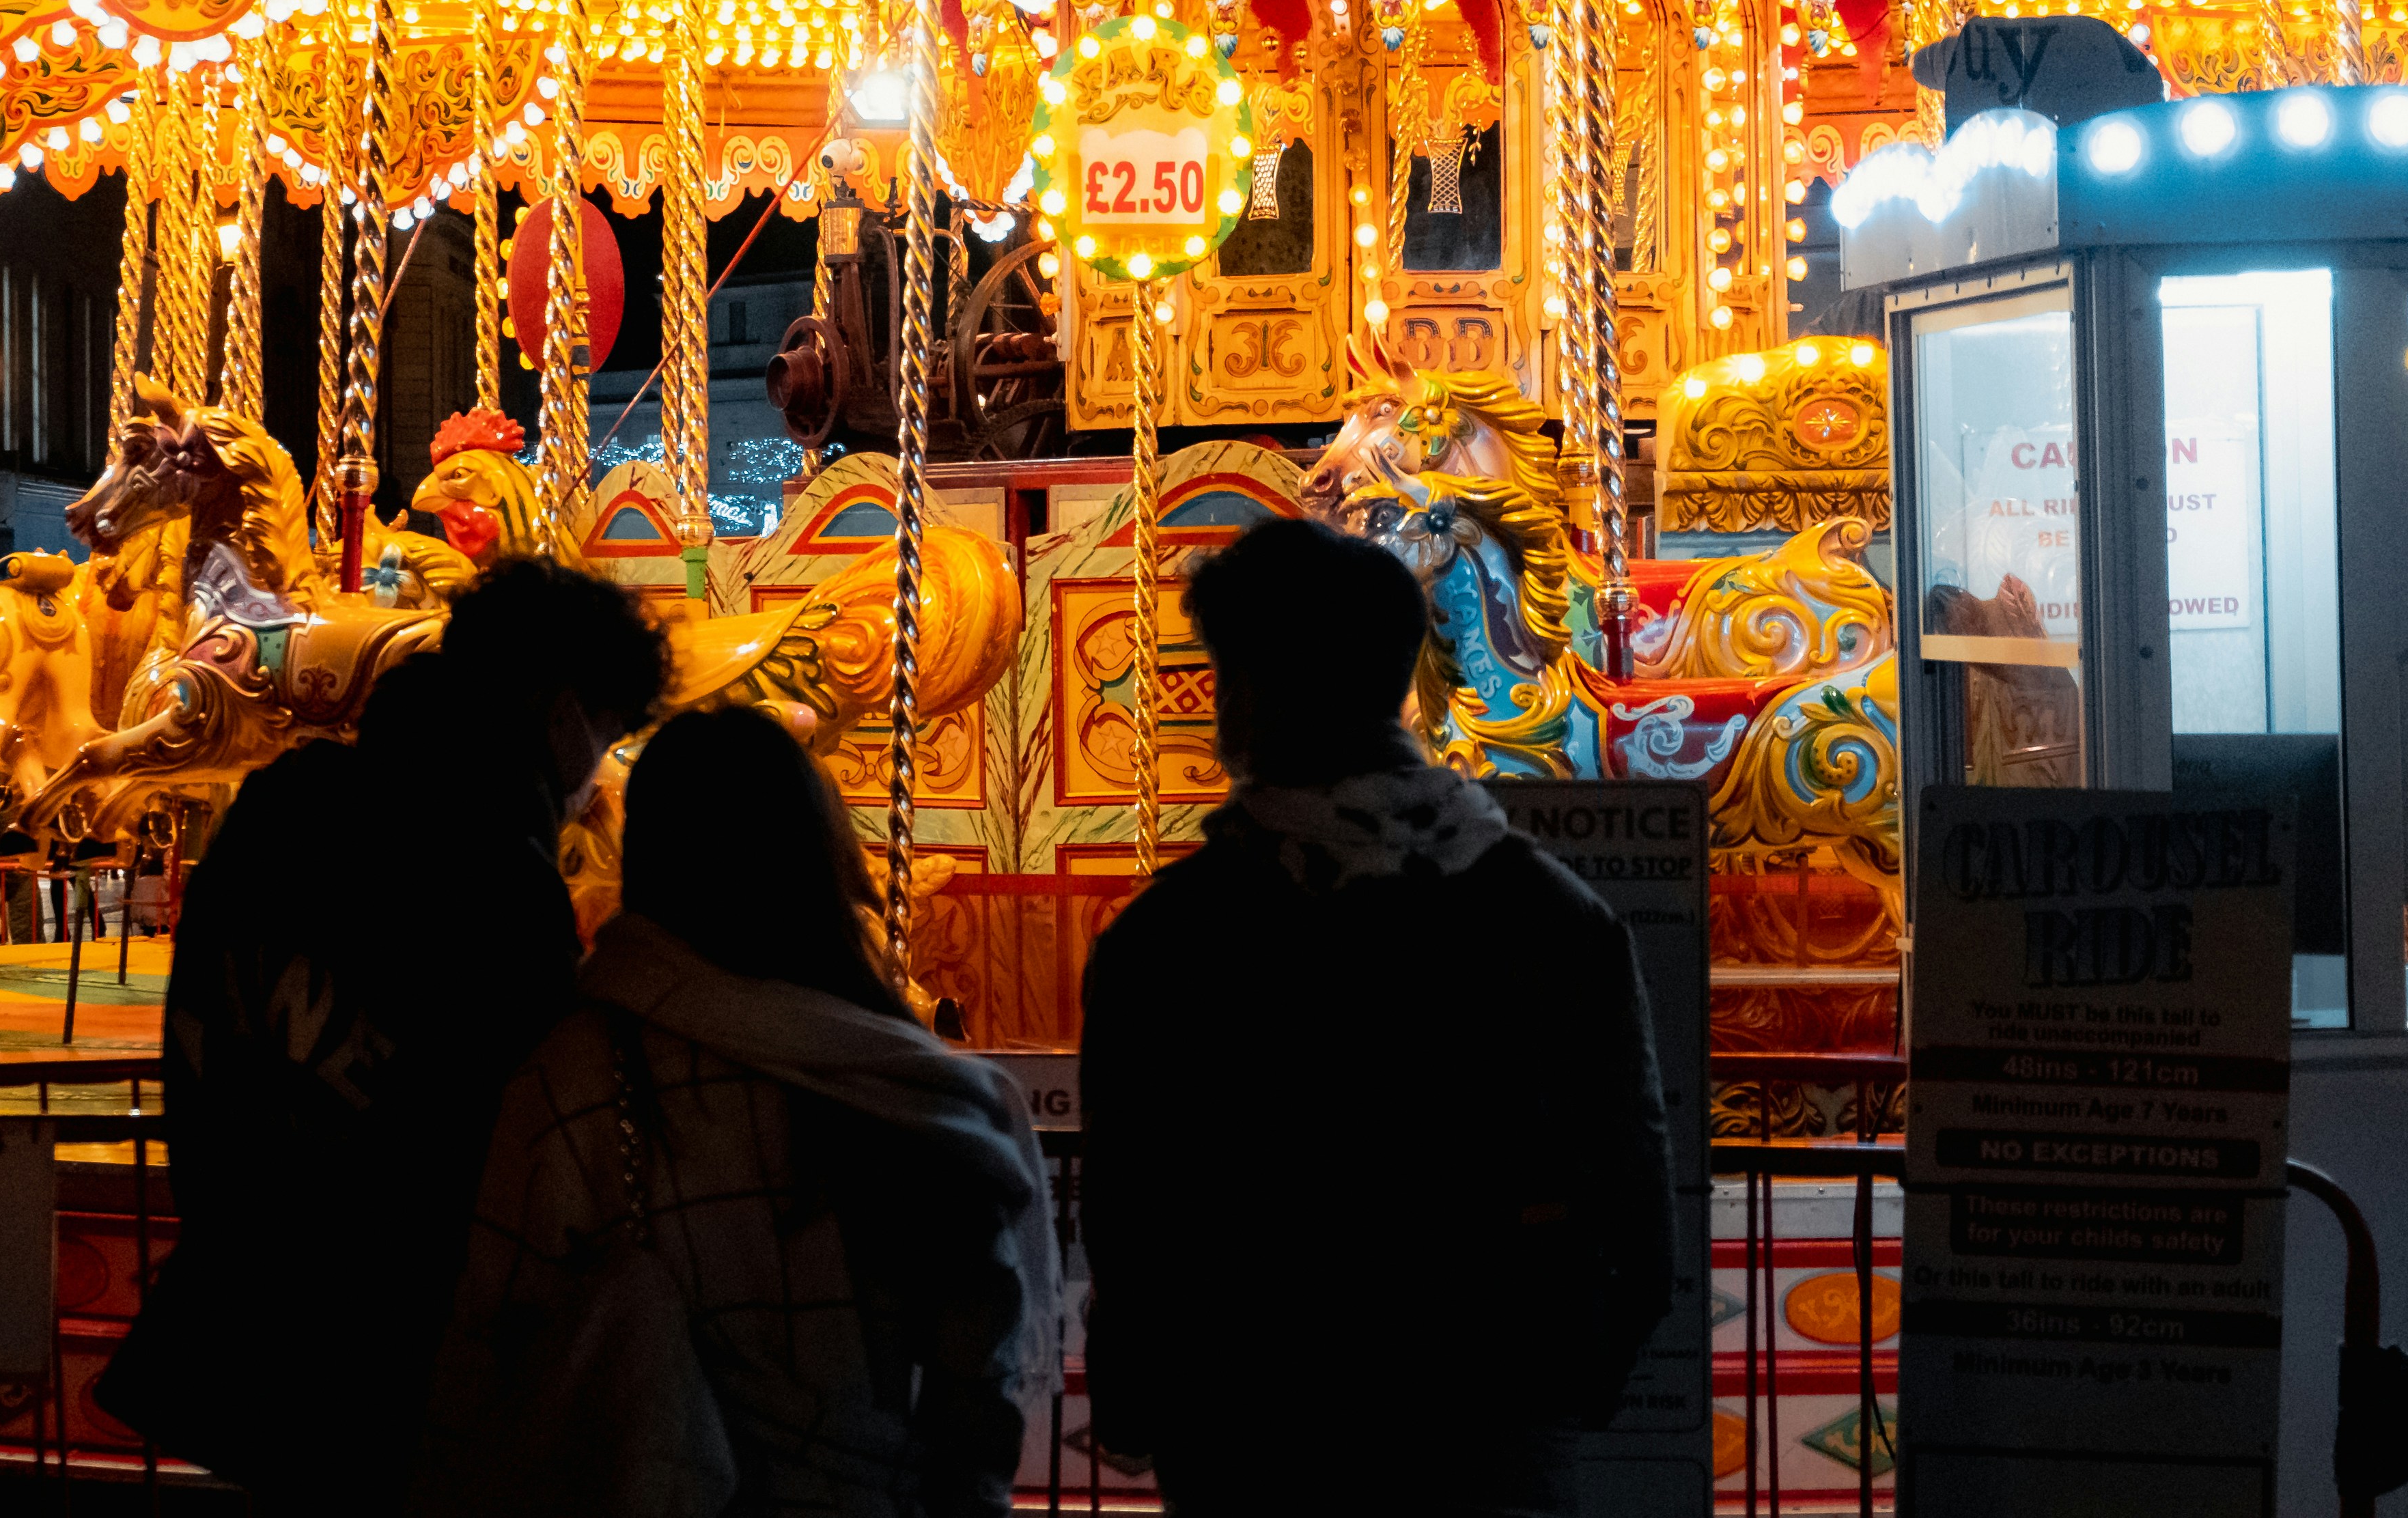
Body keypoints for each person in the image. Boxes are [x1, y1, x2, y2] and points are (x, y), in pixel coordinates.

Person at [1081, 519, 1674, 1515]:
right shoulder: (1552, 915)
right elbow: (1635, 1191)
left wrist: (1145, 1397)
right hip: (1487, 1425)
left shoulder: (1172, 940)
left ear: (1247, 696)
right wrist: (1564, 1383)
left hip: (1255, 1431)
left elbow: (1136, 1215)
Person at [96, 559, 670, 1512]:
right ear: (565, 711)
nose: (595, 769)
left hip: (246, 1300)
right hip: (407, 1335)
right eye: (605, 732)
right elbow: (517, 1121)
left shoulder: (280, 805)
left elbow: (202, 1032)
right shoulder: (494, 868)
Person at [417, 707, 1057, 1517]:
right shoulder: (929, 1102)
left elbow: (487, 1348)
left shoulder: (577, 1076)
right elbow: (982, 1394)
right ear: (821, 857)